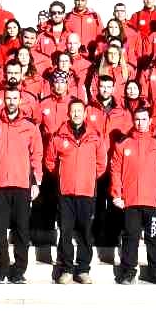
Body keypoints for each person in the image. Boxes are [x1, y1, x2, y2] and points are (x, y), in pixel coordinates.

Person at [0, 88, 44, 284]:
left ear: (20, 101)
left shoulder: (30, 127)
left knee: (22, 230)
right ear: (3, 100)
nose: (11, 101)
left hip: (22, 185)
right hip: (0, 185)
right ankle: (1, 268)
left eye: (14, 98)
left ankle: (18, 270)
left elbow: (37, 156)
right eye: (8, 98)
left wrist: (36, 182)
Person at [111, 106, 156, 284]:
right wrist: (116, 194)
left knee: (154, 237)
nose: (140, 123)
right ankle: (128, 271)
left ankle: (155, 271)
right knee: (130, 237)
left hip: (153, 201)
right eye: (137, 119)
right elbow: (115, 171)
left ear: (150, 121)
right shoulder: (123, 145)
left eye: (144, 119)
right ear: (133, 120)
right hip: (130, 201)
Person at [47, 97, 108, 284]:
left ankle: (82, 269)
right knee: (65, 231)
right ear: (68, 113)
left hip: (86, 192)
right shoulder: (59, 136)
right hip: (65, 193)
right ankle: (66, 268)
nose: (76, 114)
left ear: (85, 113)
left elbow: (101, 163)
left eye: (79, 111)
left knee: (85, 231)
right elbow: (50, 162)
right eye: (73, 111)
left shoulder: (94, 137)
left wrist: (87, 176)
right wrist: (64, 176)